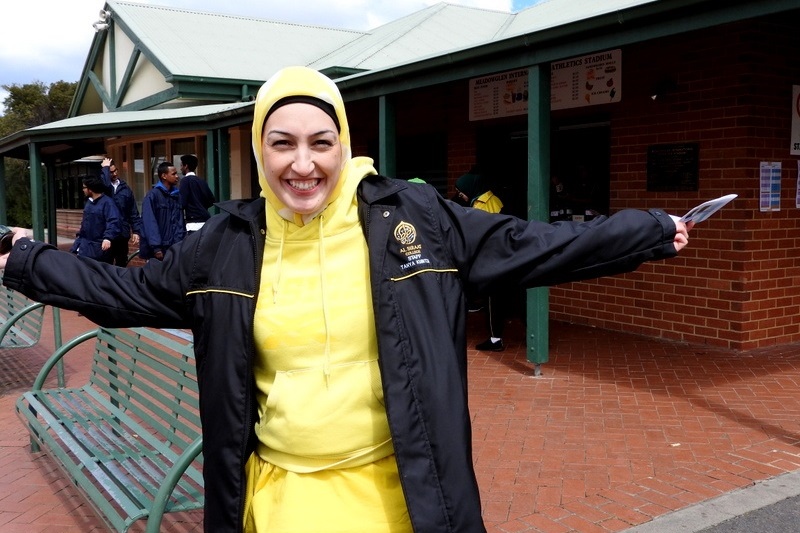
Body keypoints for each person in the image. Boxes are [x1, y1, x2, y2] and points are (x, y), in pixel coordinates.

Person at [0, 66, 693, 533]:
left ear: (344, 143)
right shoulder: (229, 241)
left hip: (402, 496)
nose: (303, 162)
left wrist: (651, 230)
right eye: (282, 143)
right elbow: (120, 290)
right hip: (281, 501)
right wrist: (22, 259)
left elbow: (537, 245)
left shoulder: (414, 220)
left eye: (319, 141)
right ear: (259, 147)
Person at [455, 169, 509, 351]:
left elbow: (480, 233)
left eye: (460, 191)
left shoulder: (482, 204)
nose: (459, 195)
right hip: (500, 257)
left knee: (493, 300)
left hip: (493, 260)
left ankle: (496, 339)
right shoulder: (492, 199)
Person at [69, 176, 122, 263]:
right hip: (86, 246)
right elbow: (84, 225)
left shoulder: (108, 203)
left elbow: (113, 221)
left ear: (90, 189)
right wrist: (77, 245)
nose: (83, 190)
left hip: (99, 248)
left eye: (84, 187)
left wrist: (108, 238)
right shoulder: (89, 203)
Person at [99, 157, 142, 265]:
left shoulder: (125, 189)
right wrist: (105, 168)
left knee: (122, 263)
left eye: (115, 171)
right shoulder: (104, 189)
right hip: (106, 232)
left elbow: (133, 211)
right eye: (110, 172)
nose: (114, 174)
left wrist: (136, 230)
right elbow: (106, 185)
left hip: (122, 233)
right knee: (106, 263)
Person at [139, 161, 185, 260]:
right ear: (164, 176)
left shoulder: (176, 196)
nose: (177, 176)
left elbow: (180, 222)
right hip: (160, 249)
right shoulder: (152, 196)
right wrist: (156, 247)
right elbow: (149, 222)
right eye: (173, 174)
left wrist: (181, 241)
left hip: (175, 246)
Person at [179, 154, 216, 233]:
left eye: (181, 165)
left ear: (186, 166)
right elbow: (212, 200)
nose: (180, 168)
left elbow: (182, 203)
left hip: (193, 223)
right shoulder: (201, 181)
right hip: (205, 221)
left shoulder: (184, 181)